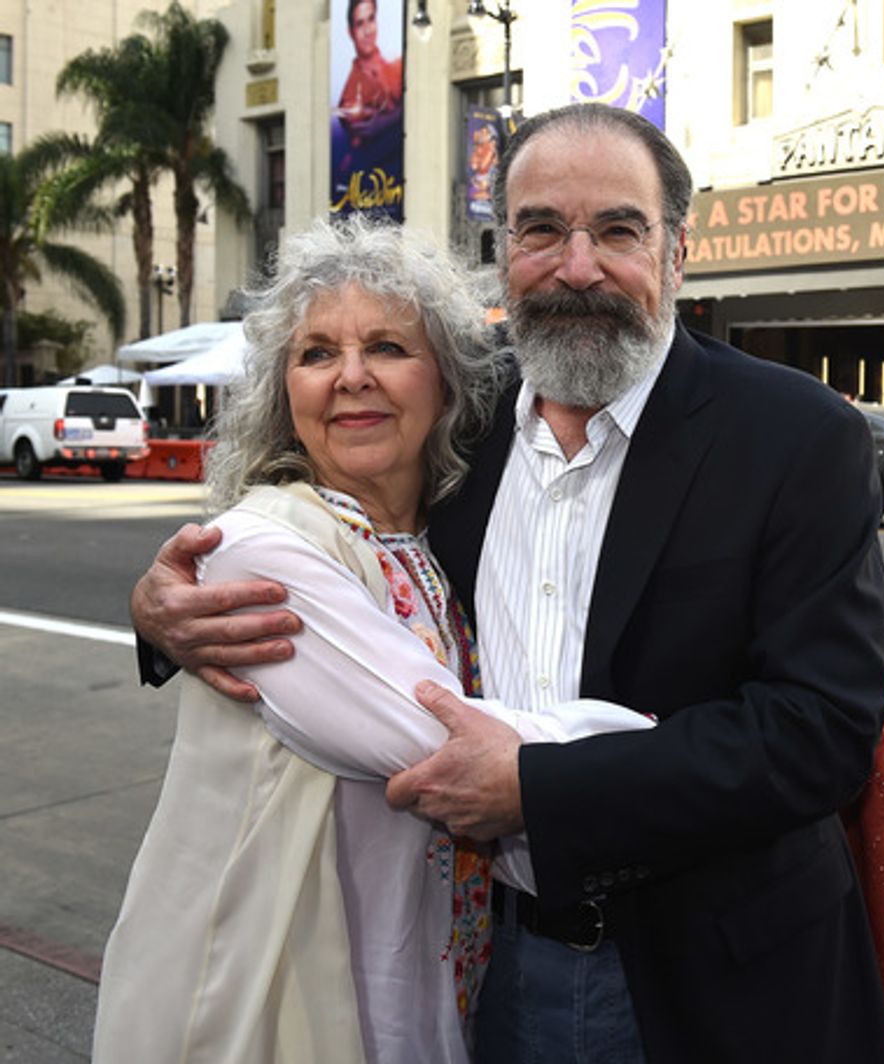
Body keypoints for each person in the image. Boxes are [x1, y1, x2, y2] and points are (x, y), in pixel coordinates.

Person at [129, 104, 884, 1063]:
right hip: (495, 969)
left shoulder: (793, 434)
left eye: (618, 229)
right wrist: (162, 611)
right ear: (504, 250)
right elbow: (332, 525)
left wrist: (542, 788)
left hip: (721, 989)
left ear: (676, 252)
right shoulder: (462, 413)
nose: (577, 267)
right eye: (542, 229)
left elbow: (821, 729)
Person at [97, 218, 650, 1063]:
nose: (350, 378)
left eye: (388, 347)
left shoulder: (441, 538)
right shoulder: (262, 545)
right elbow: (439, 746)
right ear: (284, 391)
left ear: (449, 383)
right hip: (278, 990)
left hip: (434, 977)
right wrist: (668, 748)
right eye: (316, 354)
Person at [336, 0, 403, 145]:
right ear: (350, 32)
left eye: (371, 19)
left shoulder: (397, 64)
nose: (368, 31)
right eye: (360, 24)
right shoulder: (350, 96)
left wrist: (389, 118)